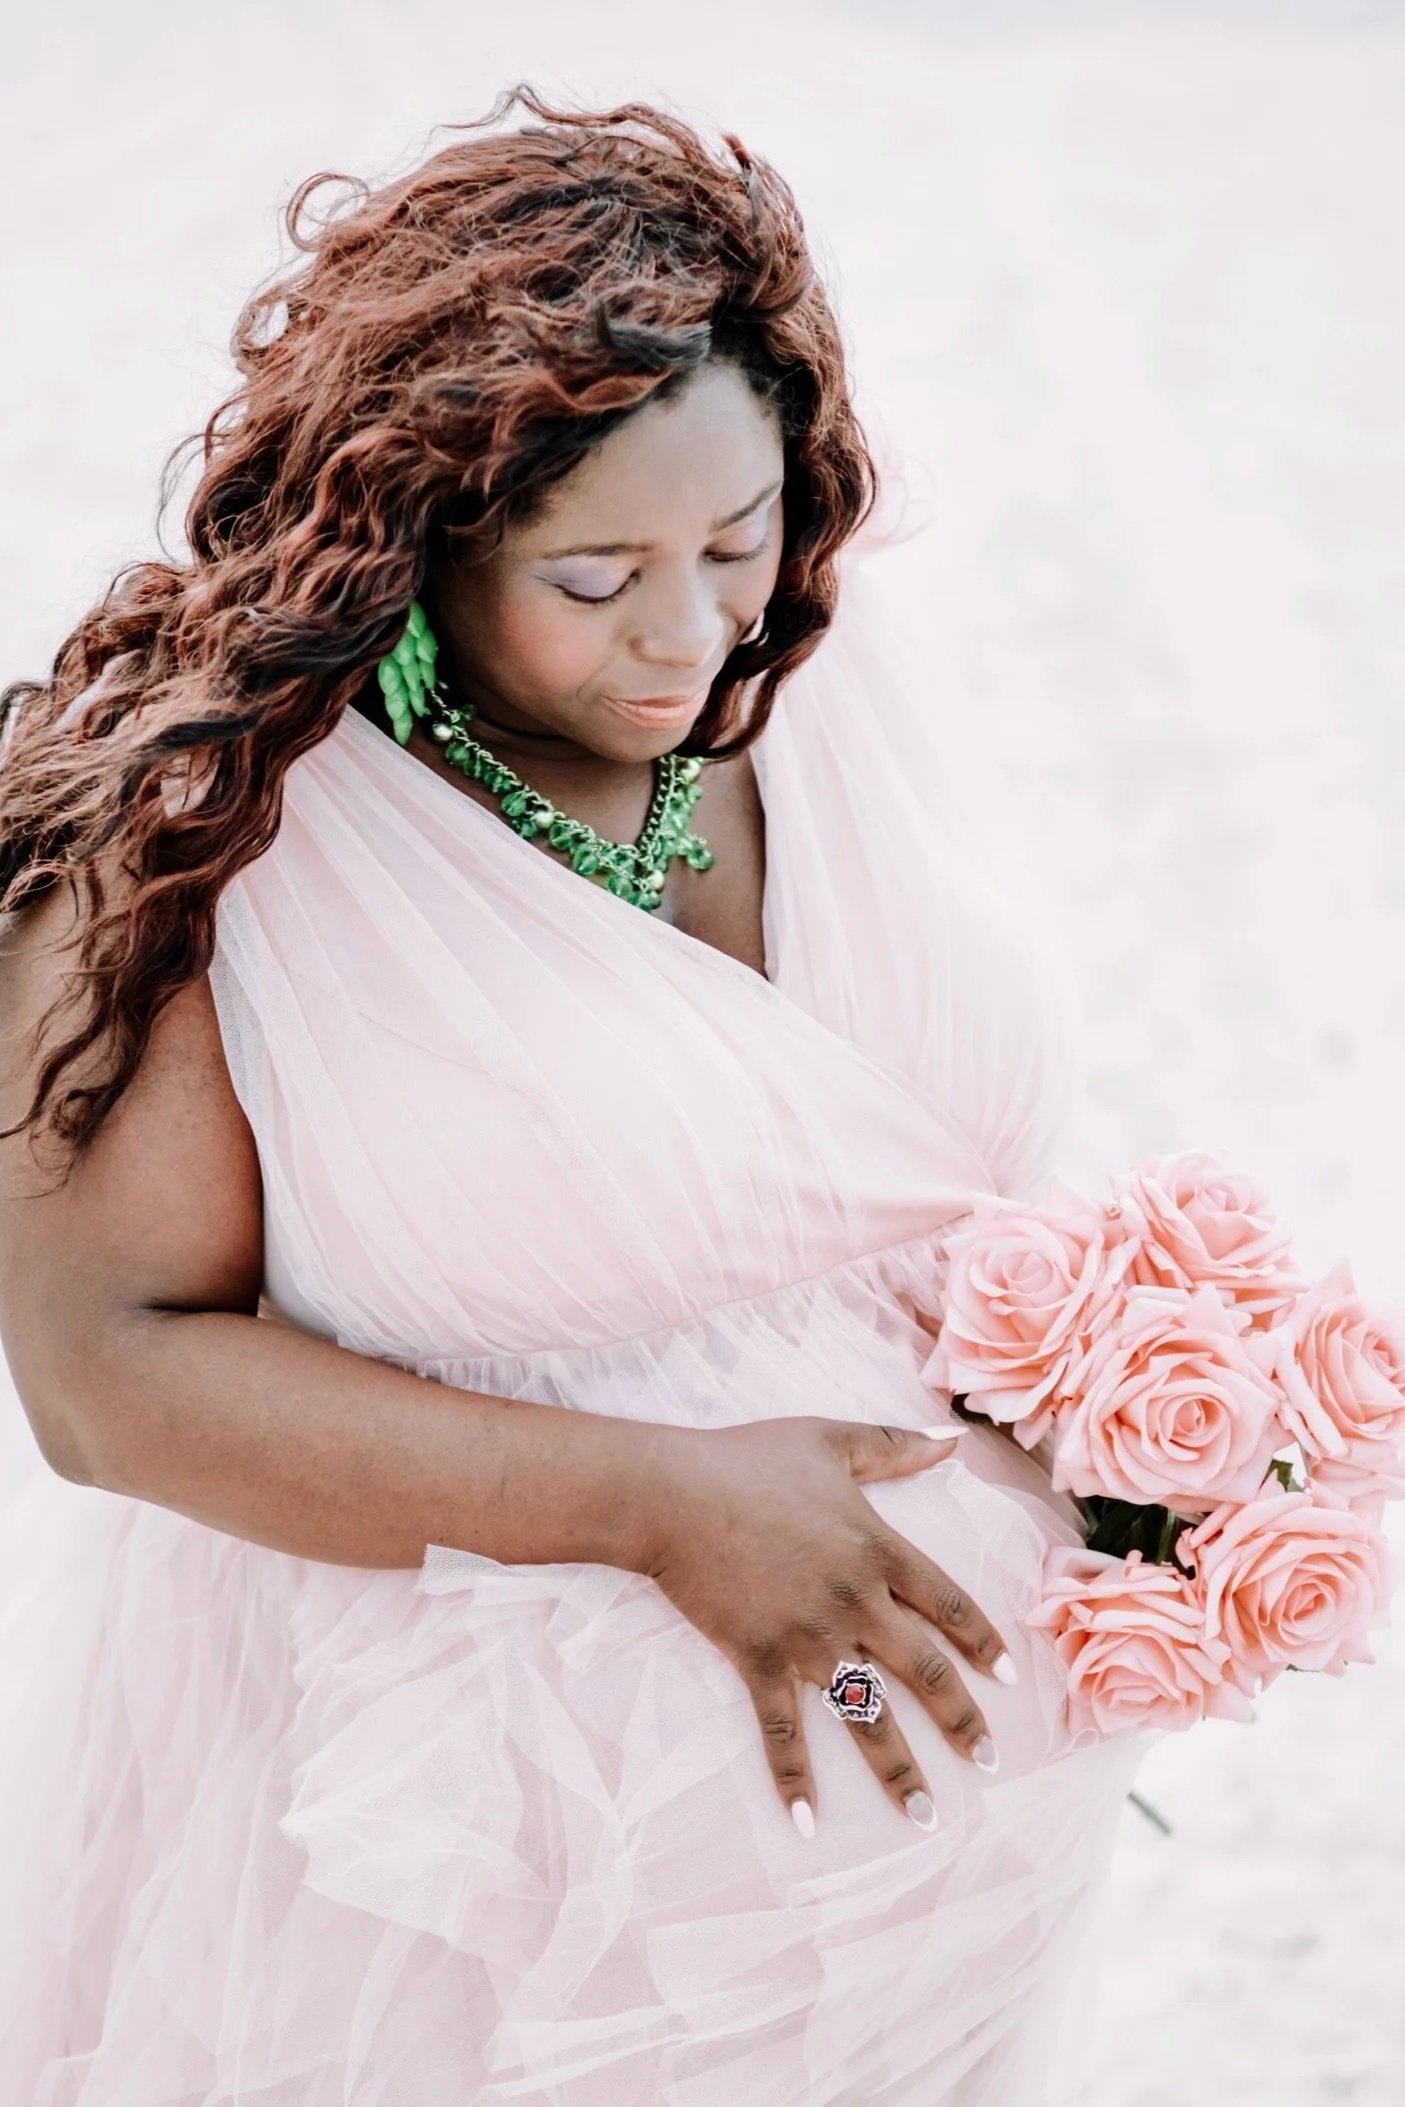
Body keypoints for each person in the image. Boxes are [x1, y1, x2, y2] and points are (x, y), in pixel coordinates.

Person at [0, 84, 1157, 2106]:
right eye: (595, 573)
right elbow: (105, 1378)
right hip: (461, 1905)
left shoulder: (819, 675)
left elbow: (923, 1158)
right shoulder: (198, 843)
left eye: (735, 537)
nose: (689, 635)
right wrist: (657, 1503)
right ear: (414, 538)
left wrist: (1145, 1383)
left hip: (936, 1869)